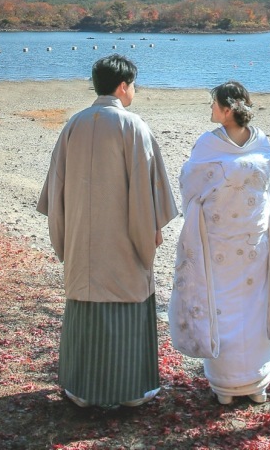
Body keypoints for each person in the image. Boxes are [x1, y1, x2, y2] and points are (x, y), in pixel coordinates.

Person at [37, 54, 177, 409]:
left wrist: (64, 235)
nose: (135, 90)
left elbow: (55, 190)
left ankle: (80, 389)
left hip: (83, 242)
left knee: (85, 305)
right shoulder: (133, 127)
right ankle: (129, 391)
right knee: (126, 300)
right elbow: (149, 196)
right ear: (122, 86)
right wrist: (149, 237)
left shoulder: (74, 124)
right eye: (133, 84)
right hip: (122, 243)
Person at [168, 80, 270, 406]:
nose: (211, 109)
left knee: (222, 305)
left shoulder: (207, 144)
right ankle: (256, 384)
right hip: (254, 241)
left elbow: (190, 185)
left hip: (220, 244)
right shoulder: (261, 142)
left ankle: (226, 386)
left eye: (214, 104)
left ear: (227, 110)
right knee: (254, 307)